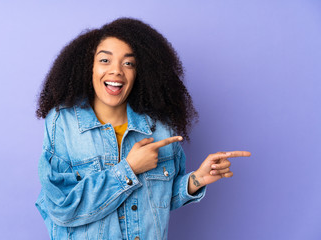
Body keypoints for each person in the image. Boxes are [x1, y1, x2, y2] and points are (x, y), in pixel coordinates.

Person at [35, 17, 251, 240]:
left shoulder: (160, 127)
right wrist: (129, 169)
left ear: (141, 72)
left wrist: (196, 180)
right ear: (88, 66)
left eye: (128, 63)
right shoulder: (62, 122)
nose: (117, 71)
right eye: (105, 60)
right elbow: (62, 208)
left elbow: (158, 201)